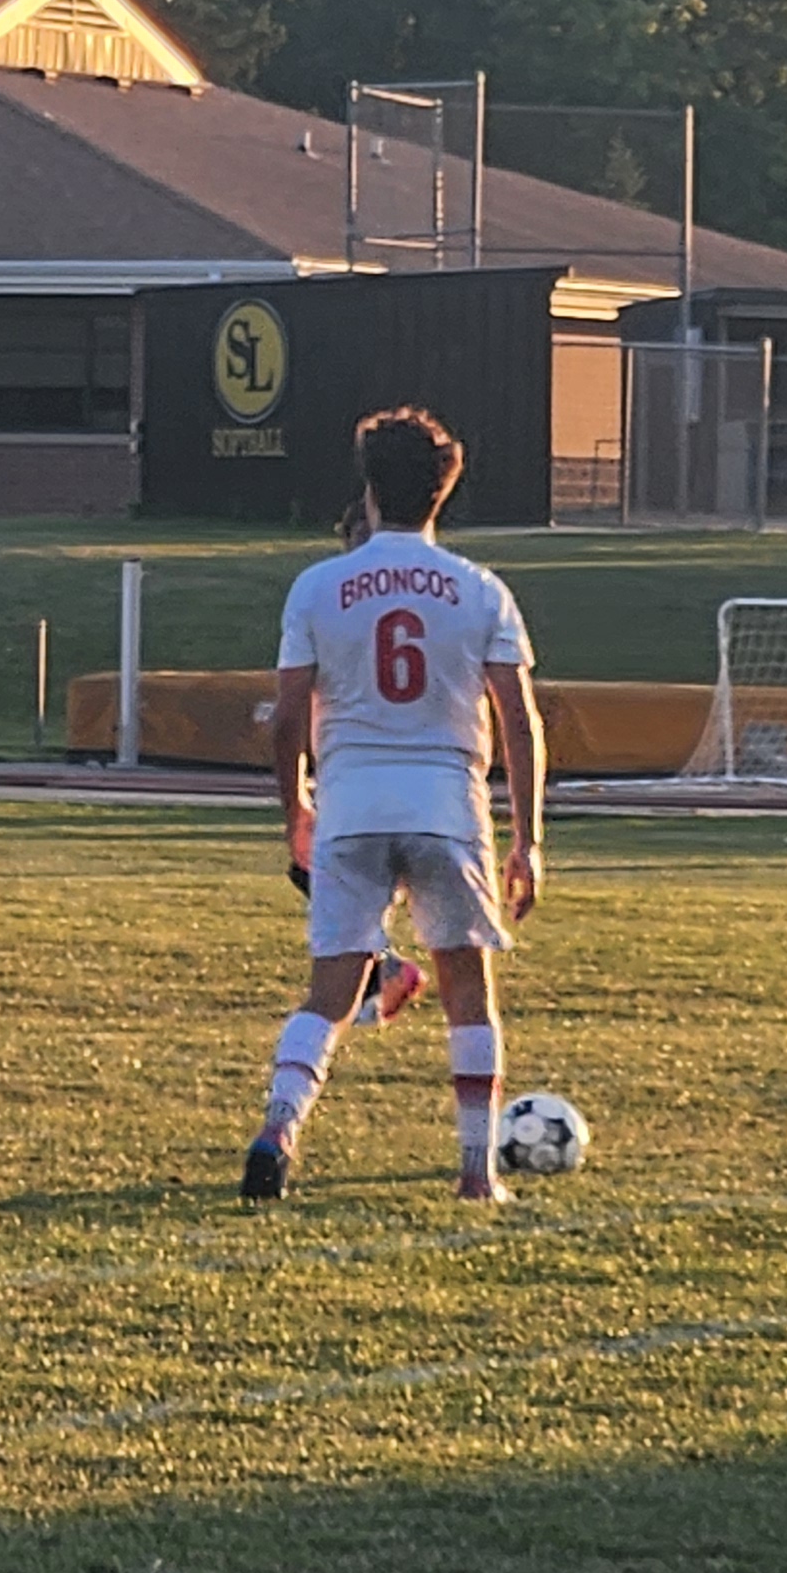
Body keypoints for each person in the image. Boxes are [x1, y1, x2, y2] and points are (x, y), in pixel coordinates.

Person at [243, 404, 548, 1206]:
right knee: (467, 993)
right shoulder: (481, 591)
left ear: (369, 488)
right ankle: (478, 1174)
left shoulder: (319, 587)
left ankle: (280, 1125)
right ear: (444, 493)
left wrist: (295, 810)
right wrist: (529, 838)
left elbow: (286, 721)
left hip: (352, 801)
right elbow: (520, 720)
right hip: (447, 803)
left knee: (332, 993)